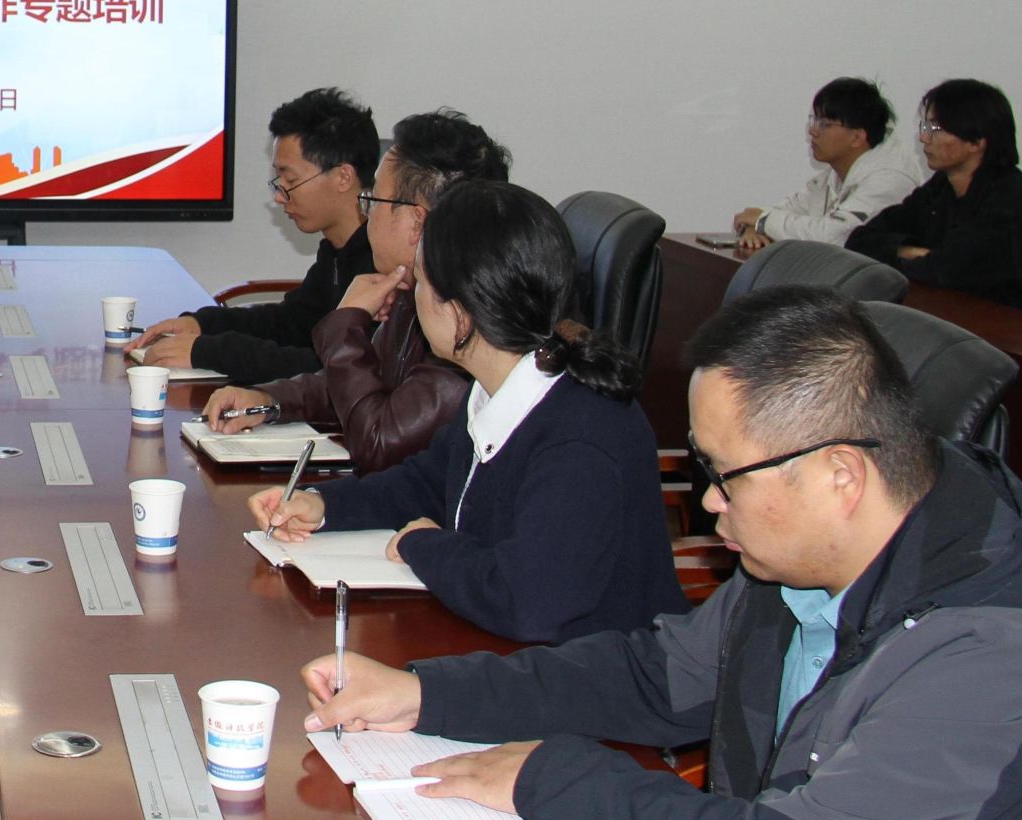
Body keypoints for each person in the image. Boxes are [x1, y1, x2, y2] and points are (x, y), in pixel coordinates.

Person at [300, 287, 1022, 820]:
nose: (708, 501)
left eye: (726, 476)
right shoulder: (805, 562)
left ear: (841, 477)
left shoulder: (989, 658)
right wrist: (427, 692)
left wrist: (548, 778)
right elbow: (654, 676)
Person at [247, 181, 686, 642]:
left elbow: (527, 601)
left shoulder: (581, 437)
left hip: (601, 673)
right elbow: (428, 483)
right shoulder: (498, 388)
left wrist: (424, 545)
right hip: (512, 654)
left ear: (461, 316)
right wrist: (325, 505)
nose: (413, 294)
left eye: (421, 281)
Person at [201, 109, 509, 473]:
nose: (366, 214)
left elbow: (378, 444)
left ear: (416, 222)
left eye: (373, 200)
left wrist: (346, 323)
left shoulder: (462, 318)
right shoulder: (410, 289)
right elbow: (354, 388)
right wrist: (268, 400)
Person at [133, 88, 378, 383]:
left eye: (290, 180)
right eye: (278, 180)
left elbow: (329, 368)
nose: (279, 196)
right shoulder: (337, 252)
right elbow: (290, 323)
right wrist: (201, 325)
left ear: (343, 177)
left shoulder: (383, 263)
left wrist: (210, 351)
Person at [849, 78, 1022, 309]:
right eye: (926, 127)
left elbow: (945, 271)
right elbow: (860, 241)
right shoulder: (941, 187)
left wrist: (912, 258)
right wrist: (912, 251)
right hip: (950, 316)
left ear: (976, 142)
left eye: (936, 129)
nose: (924, 137)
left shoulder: (1009, 199)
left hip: (1003, 326)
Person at [731, 77, 923, 254]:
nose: (813, 131)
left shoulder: (889, 180)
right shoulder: (833, 175)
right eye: (814, 120)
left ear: (857, 137)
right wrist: (753, 227)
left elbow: (835, 238)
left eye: (824, 124)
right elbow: (779, 211)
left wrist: (763, 222)